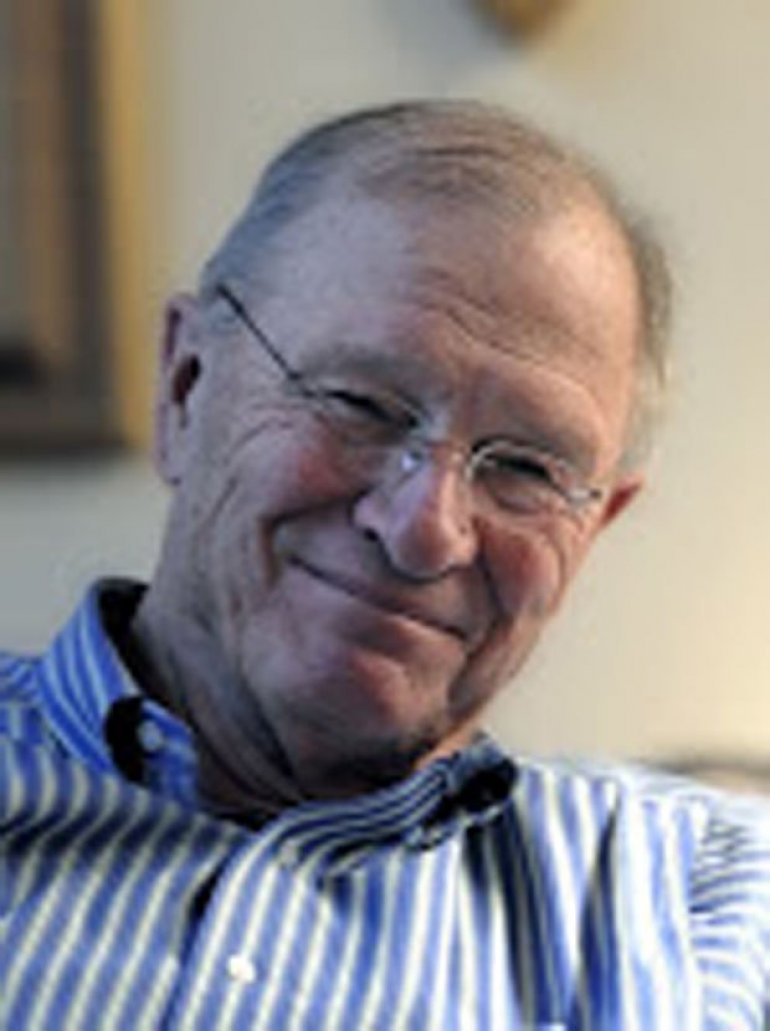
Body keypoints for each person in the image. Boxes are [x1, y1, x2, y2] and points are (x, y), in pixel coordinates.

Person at [1, 100, 768, 1030]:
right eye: (362, 404)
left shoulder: (711, 905)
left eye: (527, 469)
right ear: (186, 386)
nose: (427, 531)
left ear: (594, 528)